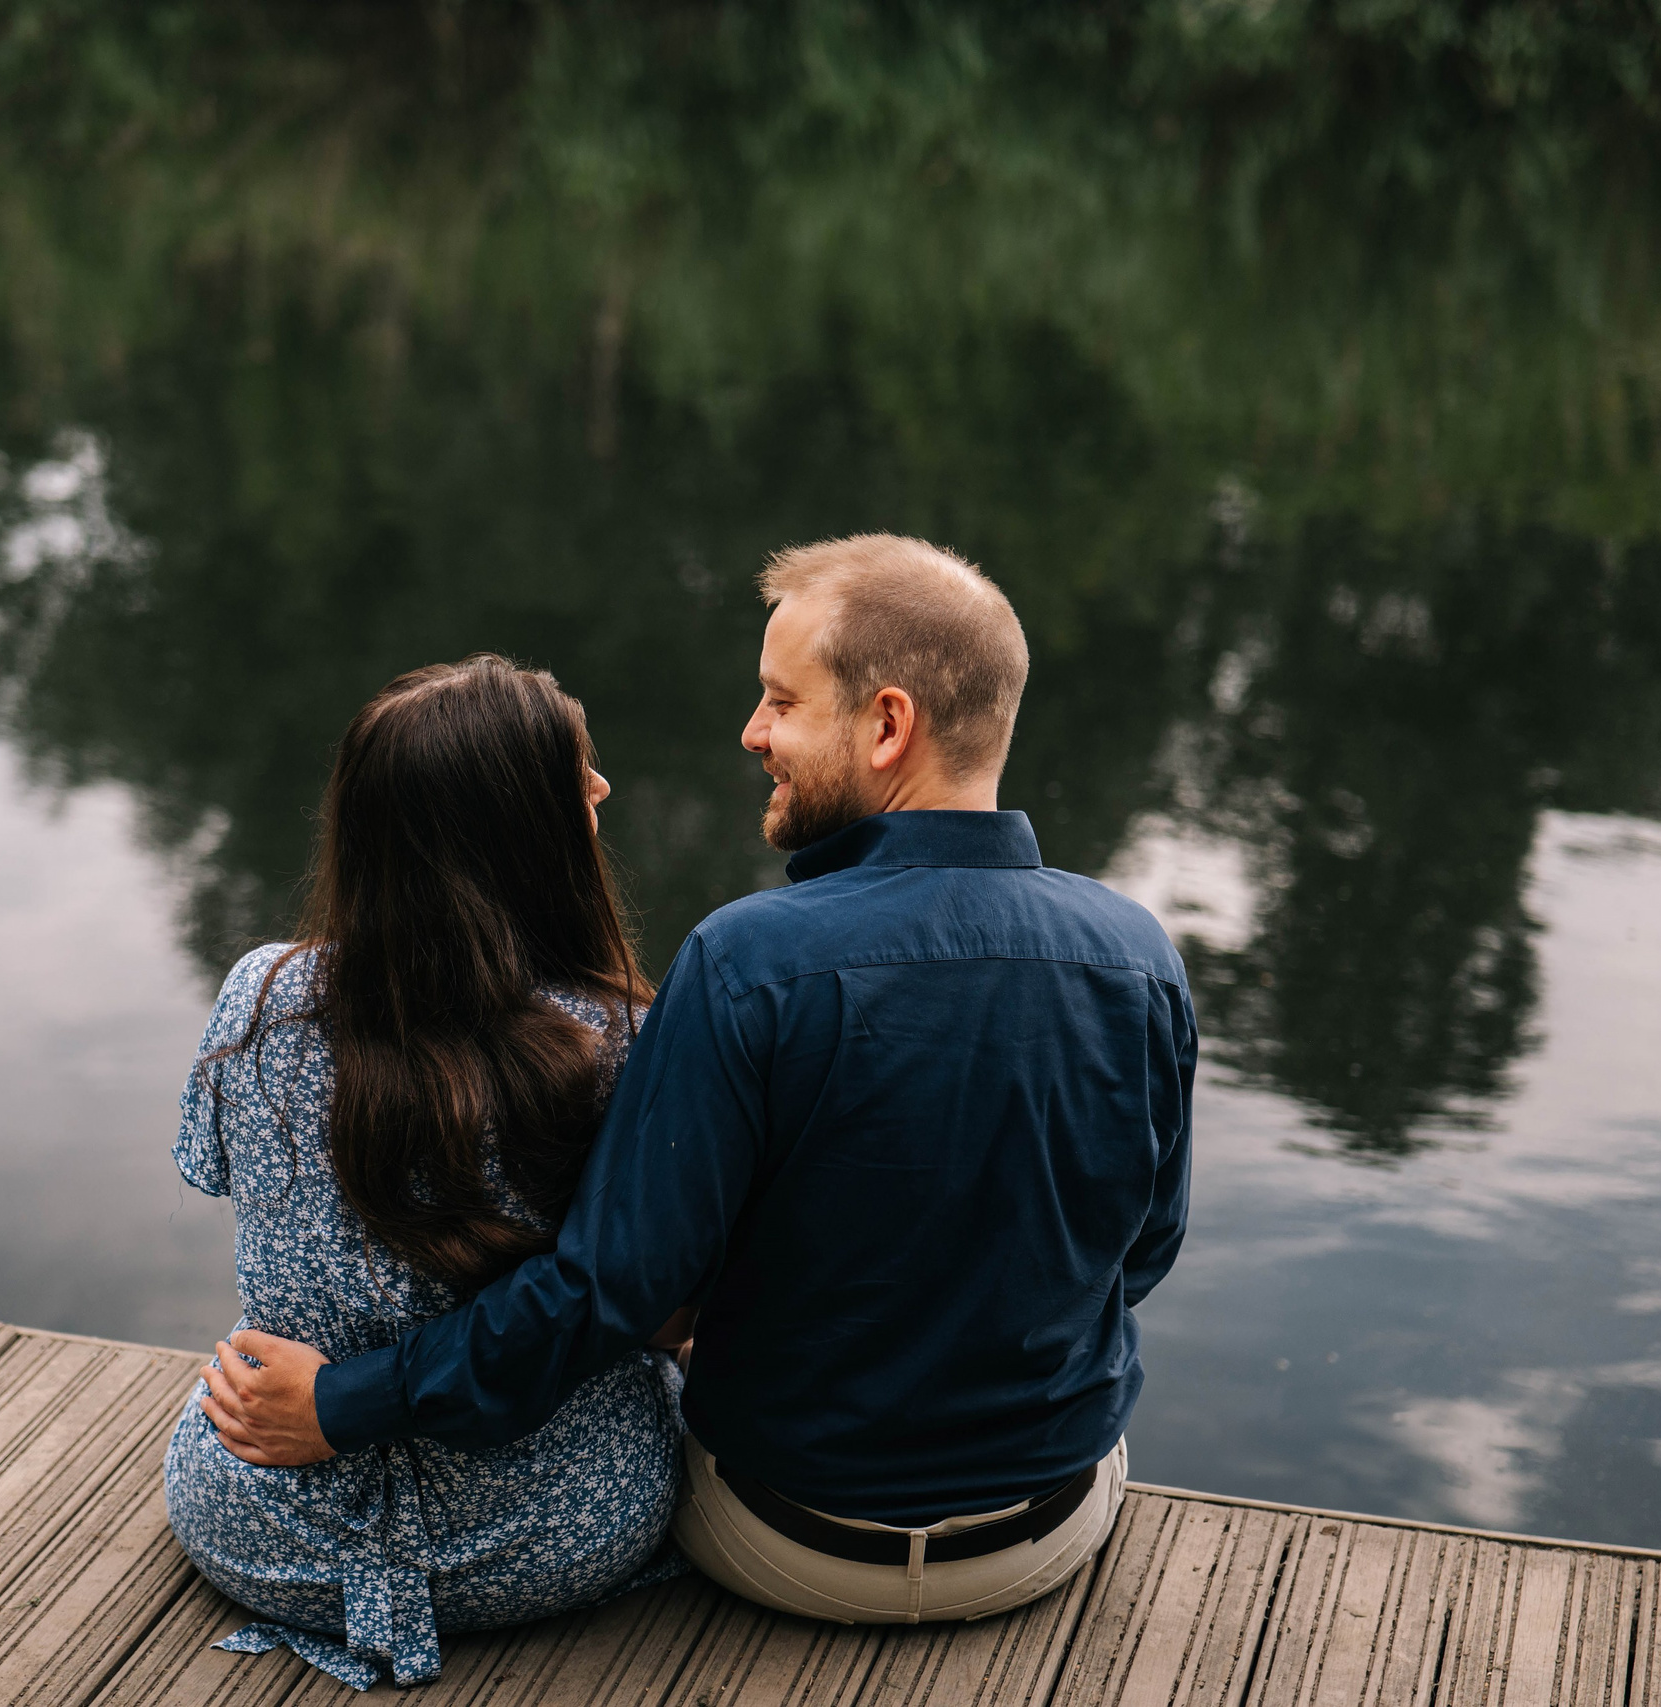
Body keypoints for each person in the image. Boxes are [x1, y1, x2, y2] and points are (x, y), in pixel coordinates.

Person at [205, 534, 1197, 1631]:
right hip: (1042, 1537)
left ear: (886, 725)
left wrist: (345, 1402)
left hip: (789, 1546)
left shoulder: (746, 963)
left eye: (780, 700)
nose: (752, 732)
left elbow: (605, 1297)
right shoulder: (1136, 955)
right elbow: (1141, 1251)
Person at [162, 656, 687, 1690]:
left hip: (268, 1531)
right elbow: (660, 1308)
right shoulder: (623, 1039)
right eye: (581, 775)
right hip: (556, 1534)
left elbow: (212, 1169)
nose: (604, 791)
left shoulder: (259, 996)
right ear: (521, 828)